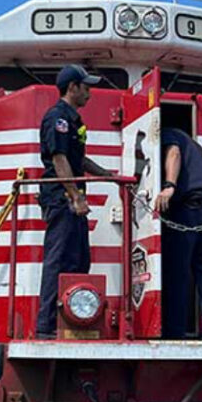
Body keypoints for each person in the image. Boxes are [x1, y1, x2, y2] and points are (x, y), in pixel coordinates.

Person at [35, 63, 114, 339]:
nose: (90, 94)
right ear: (73, 88)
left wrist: (107, 175)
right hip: (62, 199)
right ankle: (46, 327)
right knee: (58, 260)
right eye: (86, 88)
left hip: (71, 198)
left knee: (80, 259)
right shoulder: (58, 117)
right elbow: (59, 159)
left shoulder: (72, 120)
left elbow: (77, 159)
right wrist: (76, 196)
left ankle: (76, 322)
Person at [155, 127, 202, 340]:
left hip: (190, 207)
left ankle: (173, 331)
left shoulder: (170, 134)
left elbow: (173, 153)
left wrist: (169, 185)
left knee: (177, 269)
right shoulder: (198, 151)